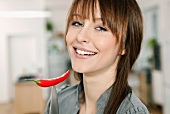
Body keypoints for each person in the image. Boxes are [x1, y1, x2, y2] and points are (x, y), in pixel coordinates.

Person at [45, 0, 150, 114]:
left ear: (124, 45)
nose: (80, 36)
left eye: (100, 28)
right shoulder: (59, 101)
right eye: (77, 23)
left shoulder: (131, 111)